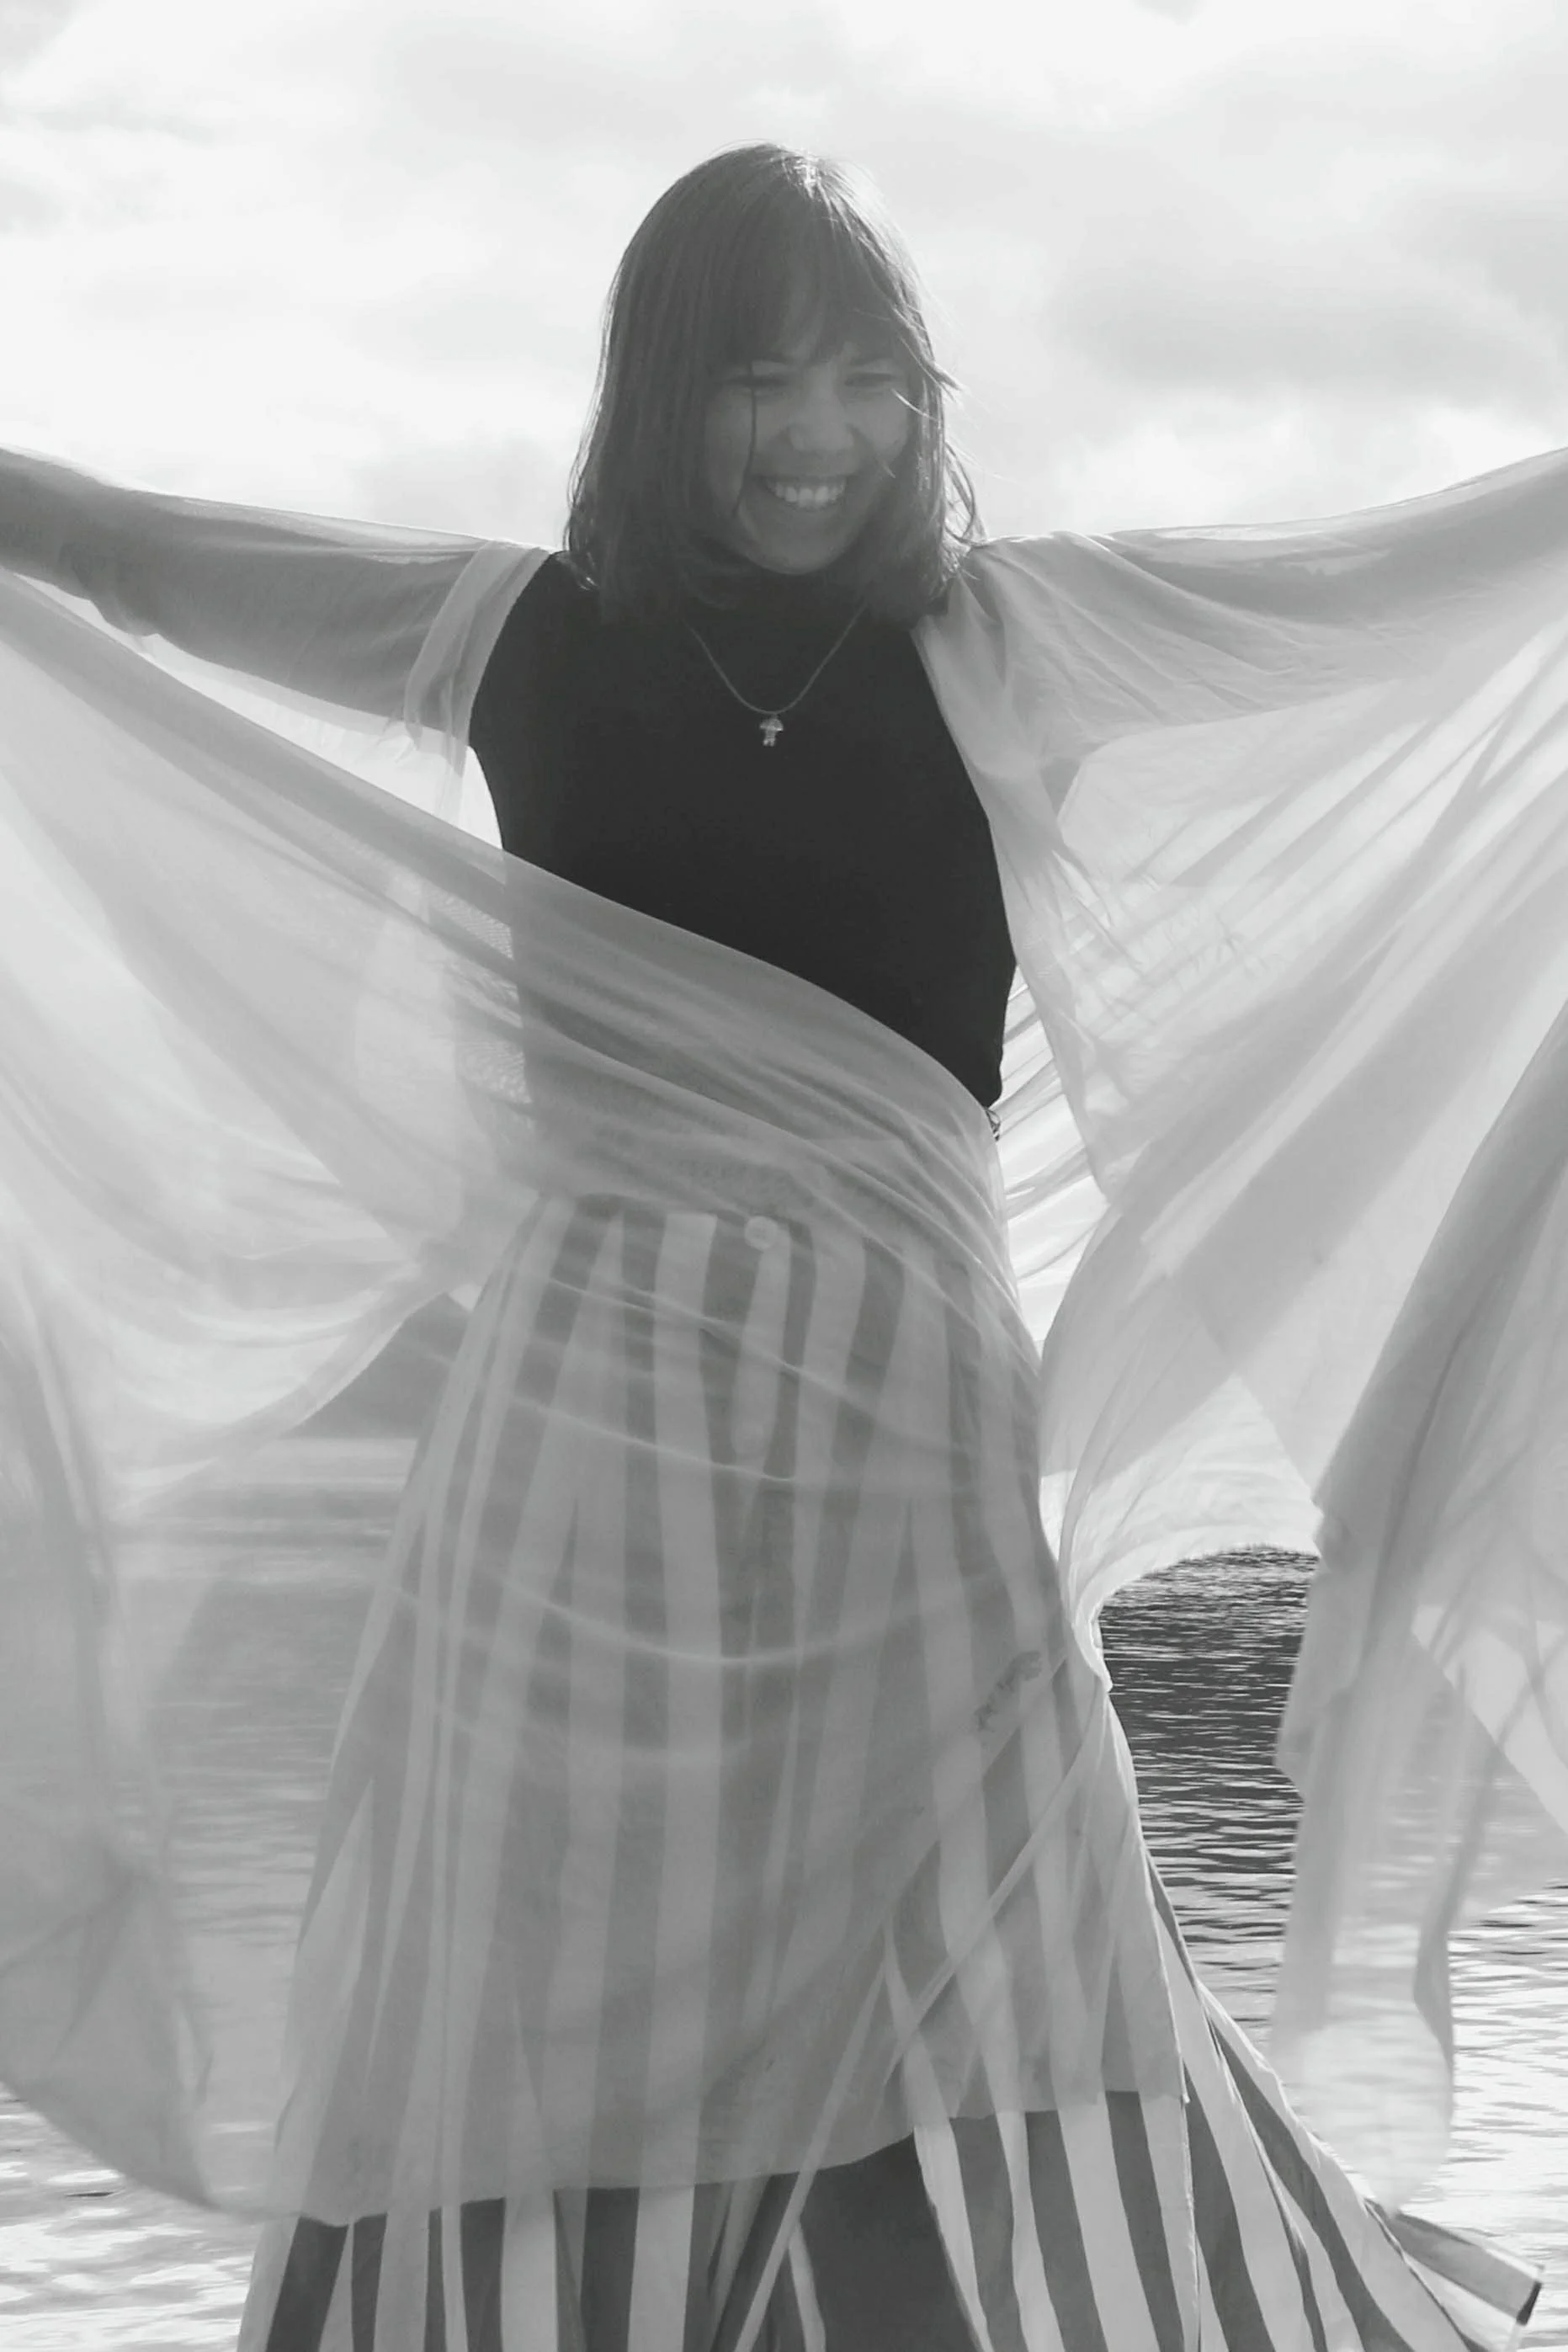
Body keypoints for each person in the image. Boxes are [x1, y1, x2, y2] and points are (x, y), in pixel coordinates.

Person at [0, 143, 1563, 2352]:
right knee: (548, 1883)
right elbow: (137, 559)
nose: (816, 432)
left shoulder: (1003, 635)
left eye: (863, 379)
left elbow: (1376, 585)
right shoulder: (512, 631)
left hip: (907, 1394)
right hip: (589, 1392)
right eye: (758, 379)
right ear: (662, 396)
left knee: (987, 1885)